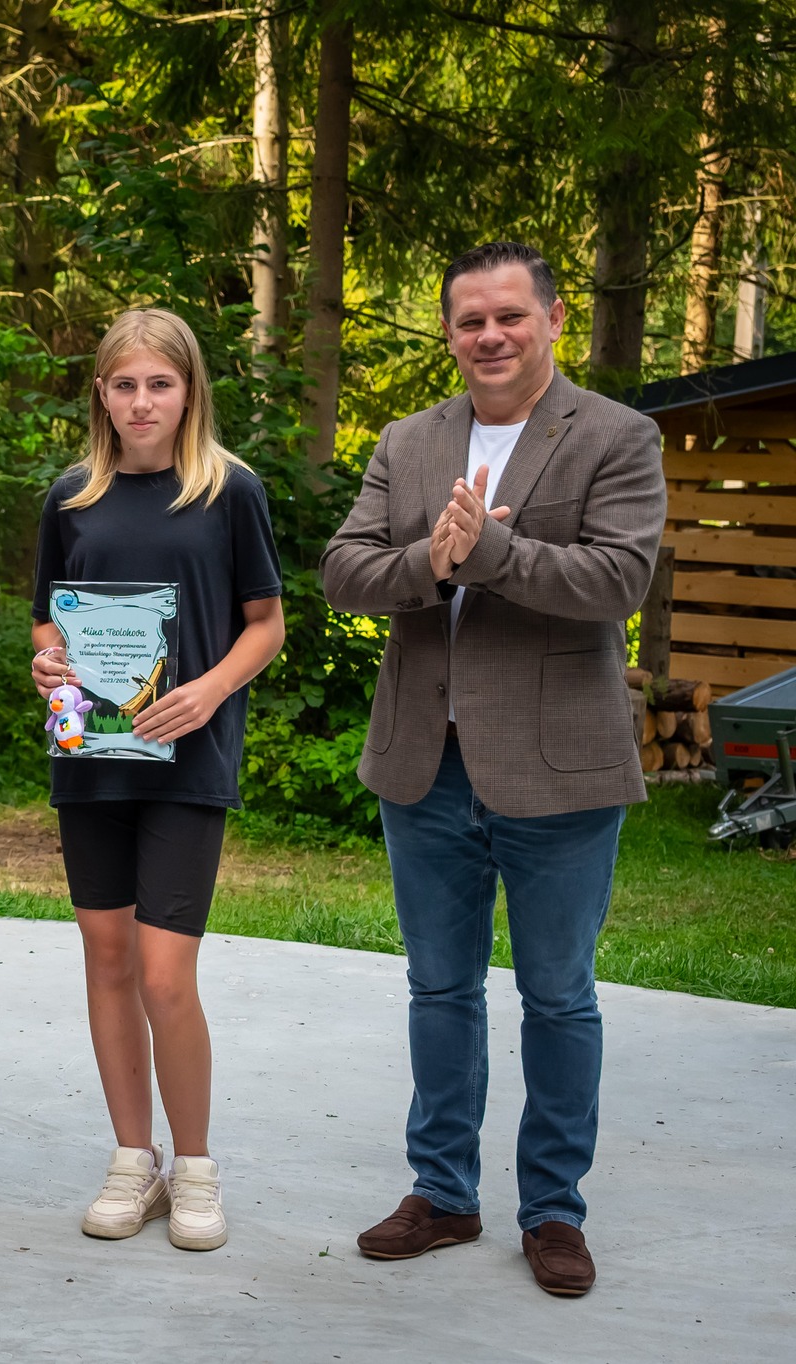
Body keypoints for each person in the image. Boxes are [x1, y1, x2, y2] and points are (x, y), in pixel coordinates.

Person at [321, 242, 665, 1297]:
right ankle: (443, 1192)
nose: (490, 335)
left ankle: (553, 1210)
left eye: (509, 315)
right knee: (438, 988)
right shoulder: (408, 440)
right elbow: (343, 571)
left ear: (551, 319)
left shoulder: (615, 434)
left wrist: (494, 554)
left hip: (559, 770)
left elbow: (618, 579)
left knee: (558, 997)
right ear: (447, 331)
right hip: (425, 764)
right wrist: (430, 561)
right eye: (470, 320)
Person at [29, 309, 284, 1252]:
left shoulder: (229, 492)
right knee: (107, 959)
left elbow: (266, 624)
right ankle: (132, 1161)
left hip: (188, 759)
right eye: (126, 385)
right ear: (101, 393)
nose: (142, 402)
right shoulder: (70, 498)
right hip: (92, 757)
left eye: (160, 385)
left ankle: (197, 1168)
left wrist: (208, 691)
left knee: (166, 974)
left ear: (189, 392)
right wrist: (48, 664)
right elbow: (49, 622)